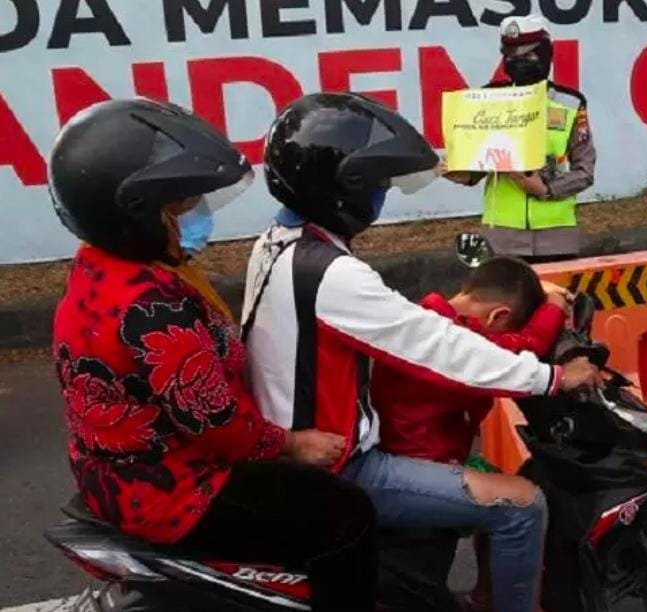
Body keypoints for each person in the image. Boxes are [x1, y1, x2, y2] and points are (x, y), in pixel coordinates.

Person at [242, 92, 602, 612]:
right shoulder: (333, 274)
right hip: (342, 466)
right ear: (347, 188)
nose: (383, 195)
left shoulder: (278, 242)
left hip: (295, 447)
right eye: (380, 184)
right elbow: (442, 349)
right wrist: (550, 378)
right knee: (522, 504)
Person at [48, 99, 377, 612]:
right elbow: (220, 426)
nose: (197, 215)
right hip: (174, 488)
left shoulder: (99, 270)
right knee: (346, 514)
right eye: (182, 207)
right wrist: (294, 443)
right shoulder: (151, 310)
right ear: (135, 212)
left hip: (112, 471)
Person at [372, 256, 570, 612]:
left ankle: (484, 599)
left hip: (412, 451)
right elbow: (527, 347)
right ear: (497, 317)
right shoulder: (457, 340)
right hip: (417, 463)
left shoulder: (427, 317)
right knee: (524, 507)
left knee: (496, 482)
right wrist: (556, 304)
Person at [444, 14, 596, 264]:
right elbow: (475, 171)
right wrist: (458, 171)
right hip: (501, 239)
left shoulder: (570, 104)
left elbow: (585, 171)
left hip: (556, 236)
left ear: (545, 54)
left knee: (556, 302)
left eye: (528, 54)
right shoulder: (489, 101)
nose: (519, 62)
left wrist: (547, 190)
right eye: (511, 55)